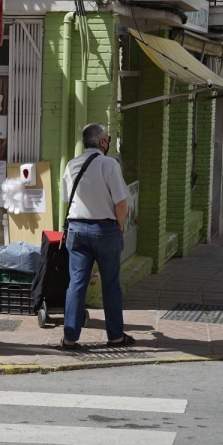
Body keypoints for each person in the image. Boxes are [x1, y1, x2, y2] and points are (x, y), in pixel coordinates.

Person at [60, 123, 132, 349]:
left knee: (76, 284)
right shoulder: (109, 164)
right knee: (110, 284)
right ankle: (115, 337)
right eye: (108, 138)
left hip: (76, 229)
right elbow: (121, 203)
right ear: (102, 142)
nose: (108, 142)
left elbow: (66, 198)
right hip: (105, 229)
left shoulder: (72, 164)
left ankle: (70, 338)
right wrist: (120, 225)